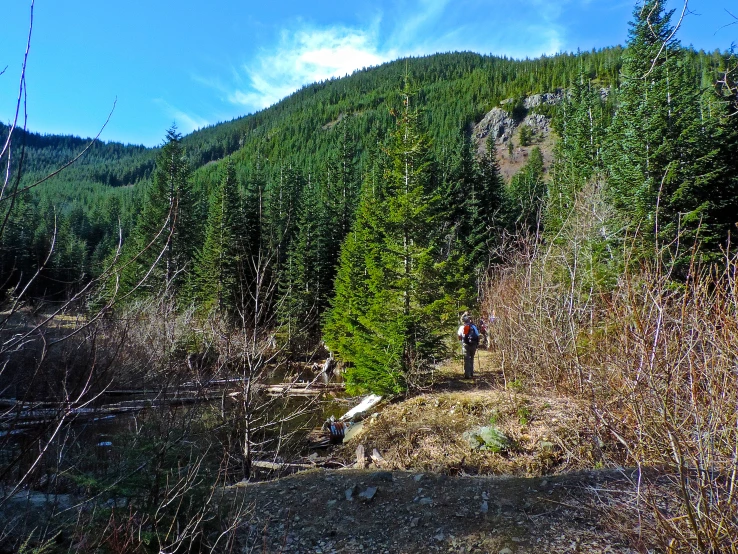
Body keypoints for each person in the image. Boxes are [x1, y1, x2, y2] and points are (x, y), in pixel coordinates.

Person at [457, 312, 480, 378]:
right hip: (473, 344)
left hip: (465, 344)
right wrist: (477, 344)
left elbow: (459, 336)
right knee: (471, 358)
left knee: (466, 359)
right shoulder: (473, 327)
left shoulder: (462, 327)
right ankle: (471, 373)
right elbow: (477, 335)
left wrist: (461, 341)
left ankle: (467, 374)